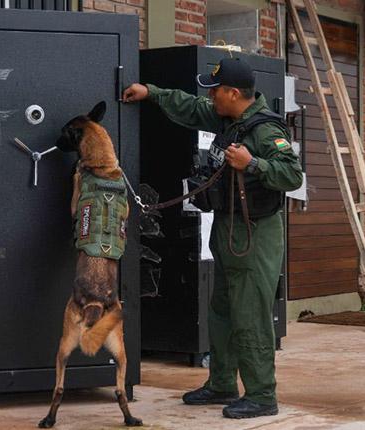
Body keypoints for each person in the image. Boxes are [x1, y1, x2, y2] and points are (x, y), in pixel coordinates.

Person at [122, 57, 303, 419]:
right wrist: (151, 92)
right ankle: (221, 383)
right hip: (228, 228)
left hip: (255, 234)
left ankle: (262, 394)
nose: (211, 96)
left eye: (216, 90)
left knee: (250, 314)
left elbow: (292, 176)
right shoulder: (230, 118)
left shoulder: (266, 131)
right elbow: (190, 107)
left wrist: (252, 163)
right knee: (221, 312)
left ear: (234, 93)